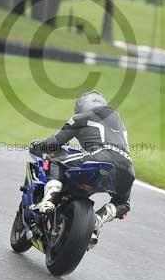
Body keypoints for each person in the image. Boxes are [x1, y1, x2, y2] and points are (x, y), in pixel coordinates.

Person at [29, 90, 134, 248]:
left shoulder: (81, 118)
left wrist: (36, 145)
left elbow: (54, 143)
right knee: (123, 203)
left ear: (81, 107)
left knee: (55, 159)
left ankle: (48, 202)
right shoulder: (120, 126)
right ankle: (98, 220)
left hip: (100, 158)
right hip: (127, 169)